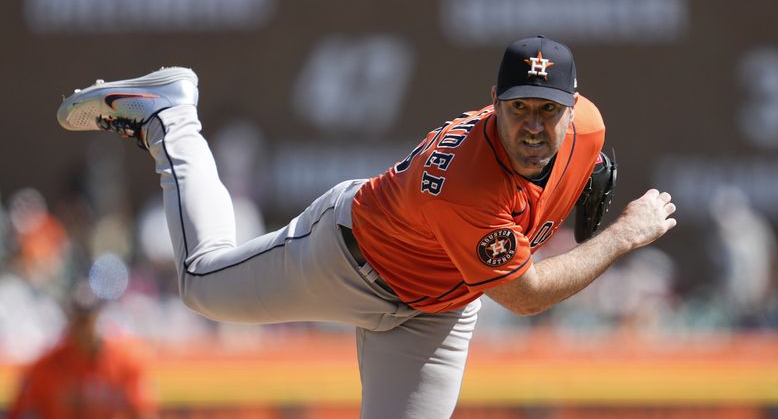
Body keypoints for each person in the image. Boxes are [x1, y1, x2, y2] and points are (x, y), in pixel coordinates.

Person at [57, 36, 676, 418]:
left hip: (439, 308)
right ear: (495, 101)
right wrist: (624, 234)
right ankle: (170, 117)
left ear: (574, 105)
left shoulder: (587, 127)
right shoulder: (466, 184)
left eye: (549, 109)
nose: (535, 125)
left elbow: (579, 162)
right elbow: (525, 296)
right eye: (519, 109)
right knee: (199, 281)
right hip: (349, 262)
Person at [7, 282, 157, 419]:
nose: (82, 327)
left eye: (87, 320)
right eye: (77, 319)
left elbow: (143, 412)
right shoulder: (47, 366)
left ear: (99, 318)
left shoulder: (126, 360)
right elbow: (20, 413)